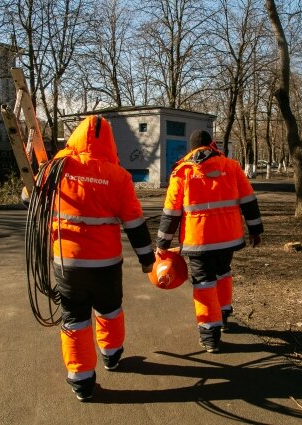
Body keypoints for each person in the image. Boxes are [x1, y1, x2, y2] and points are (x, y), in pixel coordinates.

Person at [47, 115, 155, 401]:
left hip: (68, 264)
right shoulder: (118, 176)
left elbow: (28, 198)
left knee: (74, 318)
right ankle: (111, 355)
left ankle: (81, 380)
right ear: (110, 143)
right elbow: (135, 223)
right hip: (106, 264)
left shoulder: (57, 167)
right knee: (109, 310)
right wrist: (147, 260)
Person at [156, 129, 263, 353]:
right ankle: (223, 314)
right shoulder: (232, 167)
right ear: (211, 145)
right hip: (228, 238)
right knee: (223, 273)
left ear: (192, 148)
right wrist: (255, 230)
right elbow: (249, 201)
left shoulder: (183, 171)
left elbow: (171, 213)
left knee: (204, 284)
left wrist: (163, 244)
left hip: (199, 241)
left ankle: (209, 334)